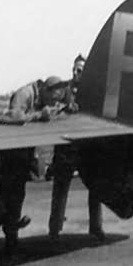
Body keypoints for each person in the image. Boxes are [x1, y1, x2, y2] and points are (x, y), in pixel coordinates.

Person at [0, 75, 72, 254]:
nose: (54, 102)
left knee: (16, 194)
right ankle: (2, 234)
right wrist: (40, 115)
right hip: (10, 151)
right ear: (46, 90)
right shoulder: (25, 94)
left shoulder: (42, 96)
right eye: (53, 98)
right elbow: (13, 117)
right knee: (8, 193)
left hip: (23, 151)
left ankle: (9, 237)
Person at [48, 54, 105, 244]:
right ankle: (54, 230)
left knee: (96, 188)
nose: (75, 73)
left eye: (79, 70)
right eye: (74, 69)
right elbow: (52, 104)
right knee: (60, 189)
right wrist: (65, 107)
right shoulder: (64, 89)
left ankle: (96, 228)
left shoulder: (94, 90)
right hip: (66, 147)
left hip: (87, 148)